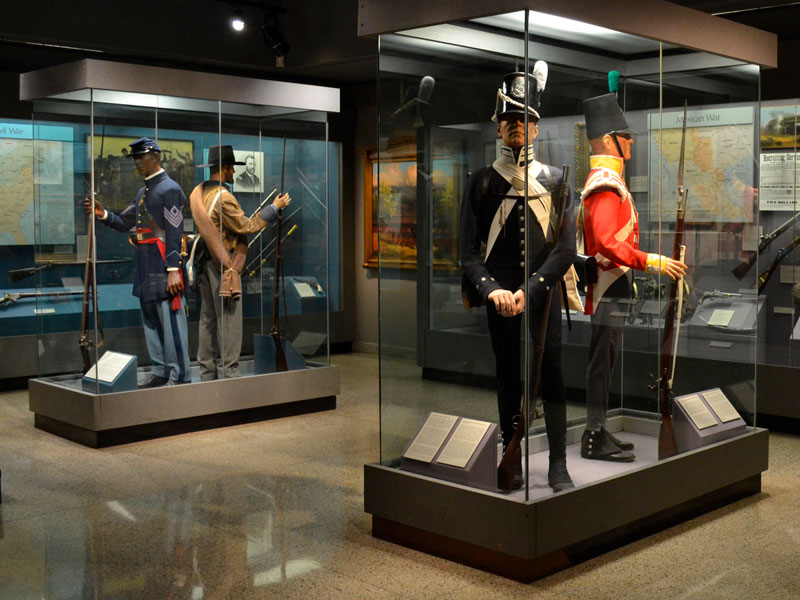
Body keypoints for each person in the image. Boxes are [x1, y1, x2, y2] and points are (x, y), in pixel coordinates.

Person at [460, 65, 582, 493]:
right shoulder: (480, 183)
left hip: (543, 296)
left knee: (552, 377)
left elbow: (566, 251)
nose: (517, 126)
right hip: (500, 299)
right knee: (508, 376)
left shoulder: (558, 182)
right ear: (498, 126)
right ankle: (513, 451)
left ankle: (558, 464)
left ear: (535, 128)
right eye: (509, 119)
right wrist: (493, 290)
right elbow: (468, 254)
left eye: (524, 119)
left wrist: (528, 291)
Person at [578, 94, 687, 461]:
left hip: (614, 286)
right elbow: (608, 242)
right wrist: (652, 261)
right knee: (601, 362)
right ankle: (593, 434)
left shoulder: (608, 181)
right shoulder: (607, 184)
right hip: (609, 286)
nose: (631, 142)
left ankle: (598, 430)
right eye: (625, 137)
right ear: (609, 141)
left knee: (604, 361)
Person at [85, 137, 191, 387]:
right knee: (151, 322)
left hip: (164, 265)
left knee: (172, 322)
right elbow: (125, 222)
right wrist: (103, 214)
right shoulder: (143, 191)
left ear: (155, 156)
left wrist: (174, 269)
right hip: (146, 265)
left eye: (141, 157)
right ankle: (161, 370)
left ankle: (180, 374)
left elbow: (175, 231)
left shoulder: (170, 189)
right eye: (135, 158)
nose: (137, 163)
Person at [190, 144, 290, 380]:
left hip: (205, 263)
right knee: (229, 321)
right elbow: (247, 226)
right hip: (222, 265)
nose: (233, 174)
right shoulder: (224, 198)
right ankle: (229, 375)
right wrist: (274, 208)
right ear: (224, 169)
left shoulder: (201, 193)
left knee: (207, 319)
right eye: (231, 169)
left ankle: (206, 372)